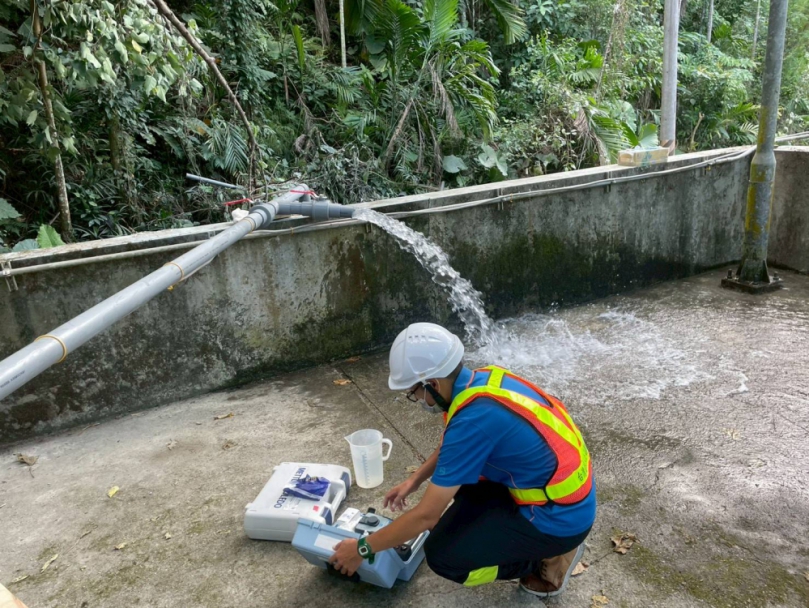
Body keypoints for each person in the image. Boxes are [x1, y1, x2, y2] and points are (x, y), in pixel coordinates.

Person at [328, 322, 596, 596]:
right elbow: (452, 447)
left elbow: (426, 516)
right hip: (564, 498)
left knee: (444, 556)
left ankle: (539, 562)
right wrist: (414, 480)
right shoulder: (481, 380)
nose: (417, 399)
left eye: (414, 392)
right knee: (459, 490)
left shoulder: (474, 421)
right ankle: (519, 539)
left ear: (432, 384)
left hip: (560, 520)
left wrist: (362, 548)